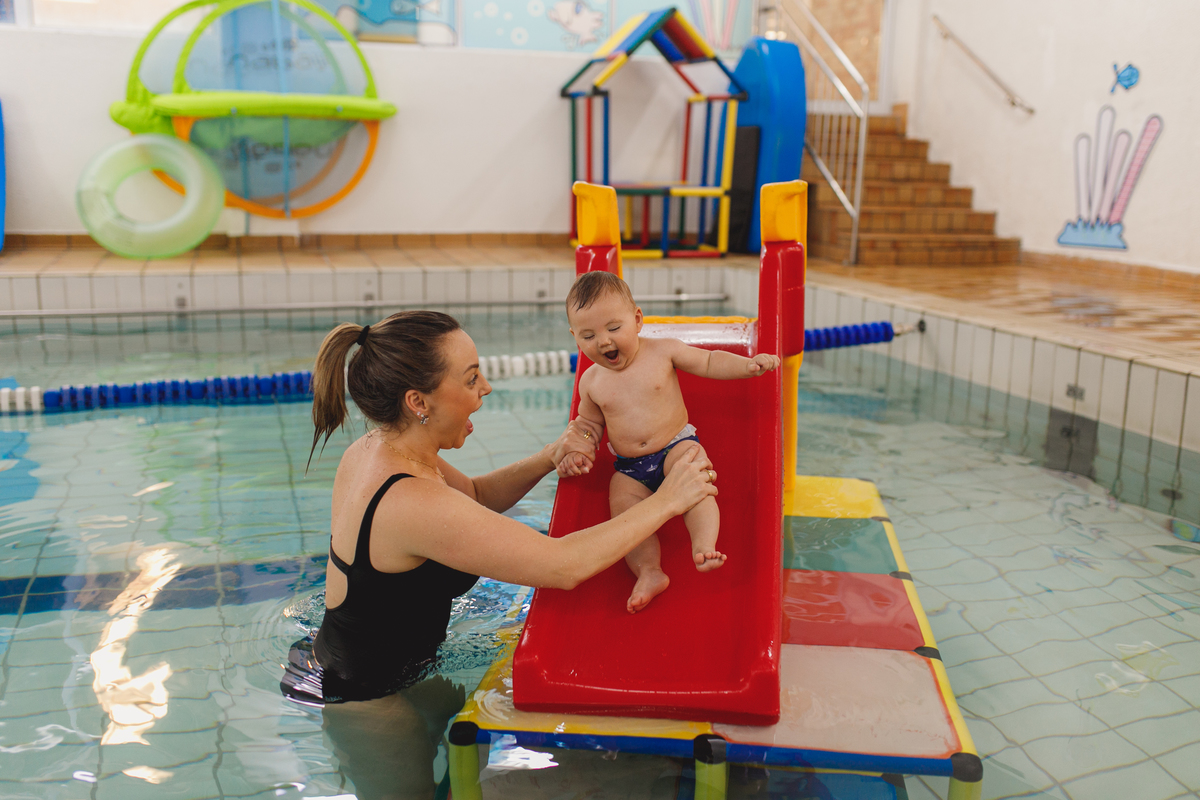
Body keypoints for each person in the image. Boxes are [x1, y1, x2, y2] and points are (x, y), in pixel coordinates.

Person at [280, 309, 716, 799]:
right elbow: (562, 565)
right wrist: (668, 500)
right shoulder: (409, 501)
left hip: (365, 661)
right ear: (417, 401)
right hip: (367, 696)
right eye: (470, 379)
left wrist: (551, 455)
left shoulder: (381, 448)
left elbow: (478, 499)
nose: (485, 388)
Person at [558, 272, 780, 614]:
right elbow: (588, 425)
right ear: (575, 337)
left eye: (613, 329)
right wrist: (578, 448)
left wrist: (747, 366)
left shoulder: (663, 352)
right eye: (588, 335)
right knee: (623, 512)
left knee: (696, 479)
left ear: (637, 320)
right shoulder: (591, 381)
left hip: (675, 446)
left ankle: (703, 544)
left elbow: (709, 361)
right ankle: (649, 572)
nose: (603, 342)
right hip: (630, 469)